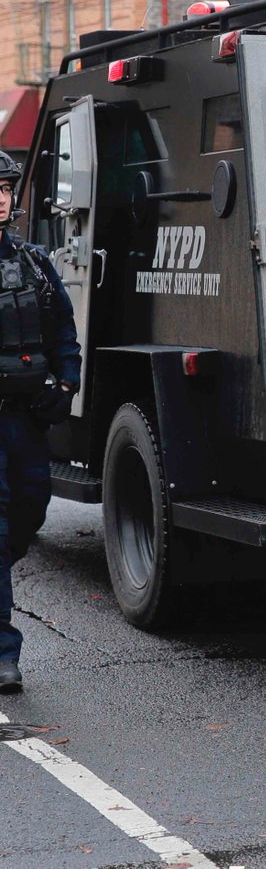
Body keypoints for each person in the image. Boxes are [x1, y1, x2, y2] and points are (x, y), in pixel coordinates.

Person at [0, 152, 81, 694]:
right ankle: (4, 654)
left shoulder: (33, 262)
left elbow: (63, 330)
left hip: (26, 421)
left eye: (4, 189)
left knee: (29, 512)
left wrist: (66, 386)